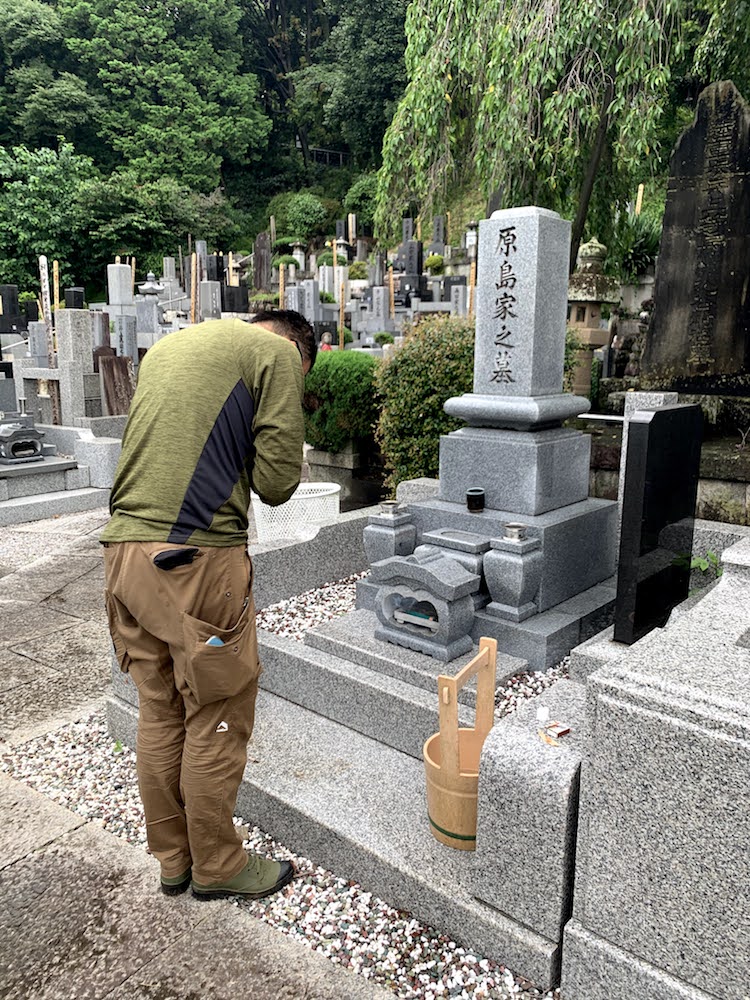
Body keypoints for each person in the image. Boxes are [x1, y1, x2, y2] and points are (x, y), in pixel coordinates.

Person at [102, 309, 316, 901]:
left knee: (160, 706)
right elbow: (276, 485)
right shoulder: (275, 357)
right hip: (196, 559)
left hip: (121, 552)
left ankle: (174, 861)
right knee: (217, 712)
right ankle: (218, 866)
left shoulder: (169, 348)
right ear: (299, 352)